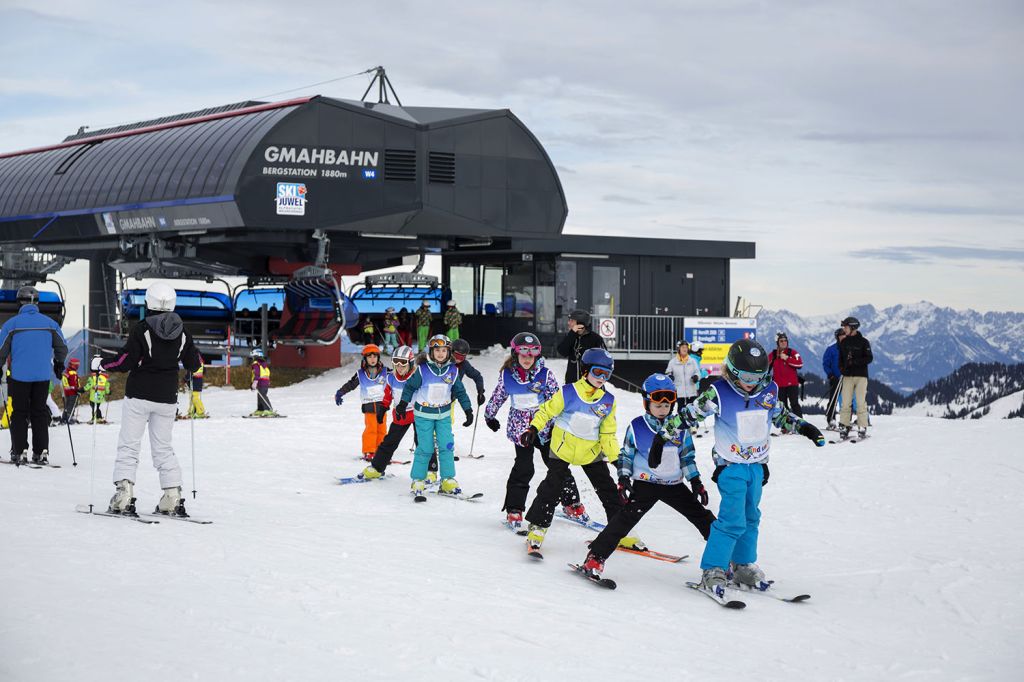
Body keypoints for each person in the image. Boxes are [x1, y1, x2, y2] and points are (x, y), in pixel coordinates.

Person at [670, 339, 824, 600]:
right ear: (731, 370)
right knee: (732, 520)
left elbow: (782, 416)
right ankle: (713, 569)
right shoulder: (717, 393)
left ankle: (742, 565)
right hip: (730, 467)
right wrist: (663, 436)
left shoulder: (769, 391)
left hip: (757, 467)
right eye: (745, 376)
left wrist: (806, 428)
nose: (751, 382)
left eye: (757, 376)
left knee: (751, 517)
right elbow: (687, 416)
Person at [577, 373, 716, 579]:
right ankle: (595, 557)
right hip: (645, 485)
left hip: (674, 485)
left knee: (703, 518)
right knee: (622, 521)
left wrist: (696, 482)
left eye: (667, 406)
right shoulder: (637, 426)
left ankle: (725, 559)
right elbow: (626, 455)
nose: (663, 409)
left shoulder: (680, 428)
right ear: (646, 403)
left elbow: (687, 457)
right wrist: (623, 478)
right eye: (658, 405)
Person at [100, 282, 203, 517]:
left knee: (129, 444)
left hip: (138, 395)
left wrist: (101, 364)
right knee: (163, 447)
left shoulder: (142, 329)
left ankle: (124, 496)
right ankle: (172, 496)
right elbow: (195, 363)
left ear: (149, 302)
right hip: (167, 398)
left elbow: (125, 361)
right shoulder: (183, 332)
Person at [520, 347, 629, 556]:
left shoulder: (608, 402)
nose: (602, 378)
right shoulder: (568, 392)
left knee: (607, 489)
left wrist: (617, 460)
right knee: (552, 488)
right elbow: (546, 411)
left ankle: (621, 531)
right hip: (563, 449)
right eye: (598, 372)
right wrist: (533, 428)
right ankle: (537, 528)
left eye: (607, 374)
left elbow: (608, 435)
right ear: (585, 371)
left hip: (591, 452)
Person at [484, 332, 585, 532]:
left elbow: (558, 400)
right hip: (520, 429)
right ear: (515, 354)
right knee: (523, 467)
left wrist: (561, 423)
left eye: (532, 355)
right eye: (523, 354)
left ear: (537, 356)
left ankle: (571, 503)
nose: (527, 358)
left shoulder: (545, 375)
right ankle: (514, 509)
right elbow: (498, 395)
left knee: (557, 466)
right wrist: (490, 415)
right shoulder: (507, 375)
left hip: (546, 427)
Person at [396, 334, 473, 498]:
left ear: (448, 352)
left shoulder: (453, 370)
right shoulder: (423, 370)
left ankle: (447, 479)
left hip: (443, 415)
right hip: (423, 414)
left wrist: (468, 410)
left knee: (447, 446)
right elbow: (409, 387)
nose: (440, 353)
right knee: (425, 448)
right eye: (437, 350)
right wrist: (403, 404)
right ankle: (418, 479)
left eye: (444, 350)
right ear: (431, 351)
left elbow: (459, 391)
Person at [0, 285, 68, 465]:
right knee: (39, 412)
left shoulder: (11, 325)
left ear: (18, 303)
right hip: (42, 376)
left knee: (19, 413)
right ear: (37, 303)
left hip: (19, 377)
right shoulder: (50, 324)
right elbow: (62, 346)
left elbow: (1, 350)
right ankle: (41, 451)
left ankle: (19, 450)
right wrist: (59, 363)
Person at [359, 346, 418, 479]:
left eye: (403, 363)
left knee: (423, 442)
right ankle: (377, 467)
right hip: (400, 416)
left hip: (417, 414)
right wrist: (383, 407)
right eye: (396, 363)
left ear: (410, 363)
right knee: (389, 442)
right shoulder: (391, 378)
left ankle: (429, 471)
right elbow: (388, 394)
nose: (399, 367)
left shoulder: (416, 377)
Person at [335, 344, 389, 460]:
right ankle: (369, 451)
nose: (372, 359)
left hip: (382, 407)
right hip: (369, 407)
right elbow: (351, 384)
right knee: (371, 429)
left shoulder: (386, 372)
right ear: (365, 359)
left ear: (378, 358)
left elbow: (399, 381)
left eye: (375, 357)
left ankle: (380, 451)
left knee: (382, 429)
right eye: (369, 357)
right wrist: (340, 392)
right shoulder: (361, 374)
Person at [838, 316, 873, 440]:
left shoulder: (864, 342)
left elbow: (869, 358)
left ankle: (862, 426)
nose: (844, 329)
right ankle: (844, 426)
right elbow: (841, 358)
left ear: (853, 328)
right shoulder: (844, 342)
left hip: (861, 376)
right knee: (845, 402)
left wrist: (855, 362)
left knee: (860, 402)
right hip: (847, 376)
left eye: (846, 327)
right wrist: (841, 368)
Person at [555, 309, 606, 385]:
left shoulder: (596, 339)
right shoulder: (570, 336)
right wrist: (572, 334)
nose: (568, 323)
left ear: (580, 323)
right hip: (572, 384)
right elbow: (562, 352)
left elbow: (604, 359)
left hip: (590, 385)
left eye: (571, 321)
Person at [769, 332, 804, 419]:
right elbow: (765, 366)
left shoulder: (792, 352)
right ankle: (786, 426)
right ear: (777, 343)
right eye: (781, 341)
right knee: (782, 406)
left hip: (792, 384)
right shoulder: (773, 354)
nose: (784, 342)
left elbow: (800, 364)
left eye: (785, 341)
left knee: (794, 404)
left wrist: (787, 358)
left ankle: (801, 424)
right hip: (779, 385)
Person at [665, 340, 701, 414]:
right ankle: (681, 424)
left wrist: (696, 377)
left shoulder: (693, 361)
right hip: (679, 391)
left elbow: (697, 372)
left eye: (686, 347)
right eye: (683, 347)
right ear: (679, 349)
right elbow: (667, 372)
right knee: (680, 411)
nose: (685, 349)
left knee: (692, 411)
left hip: (691, 391)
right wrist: (670, 376)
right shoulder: (673, 362)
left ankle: (692, 424)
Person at [821, 328, 845, 429]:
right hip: (835, 378)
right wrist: (830, 375)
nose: (843, 336)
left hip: (847, 378)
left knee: (847, 401)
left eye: (844, 334)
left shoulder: (849, 349)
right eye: (841, 335)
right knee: (833, 400)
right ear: (837, 337)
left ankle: (845, 421)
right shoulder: (831, 349)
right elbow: (826, 364)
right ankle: (831, 420)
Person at [250, 347, 274, 416]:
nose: (252, 358)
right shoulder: (263, 364)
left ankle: (269, 409)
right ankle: (260, 409)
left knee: (262, 395)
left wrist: (255, 382)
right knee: (260, 395)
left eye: (253, 356)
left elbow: (257, 373)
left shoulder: (256, 364)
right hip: (264, 382)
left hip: (261, 381)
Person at [61, 357, 83, 424]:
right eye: (77, 365)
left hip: (68, 392)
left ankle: (64, 417)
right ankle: (69, 418)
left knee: (68, 405)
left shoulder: (67, 372)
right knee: (72, 405)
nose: (77, 366)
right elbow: (74, 383)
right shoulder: (72, 373)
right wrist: (77, 389)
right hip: (72, 392)